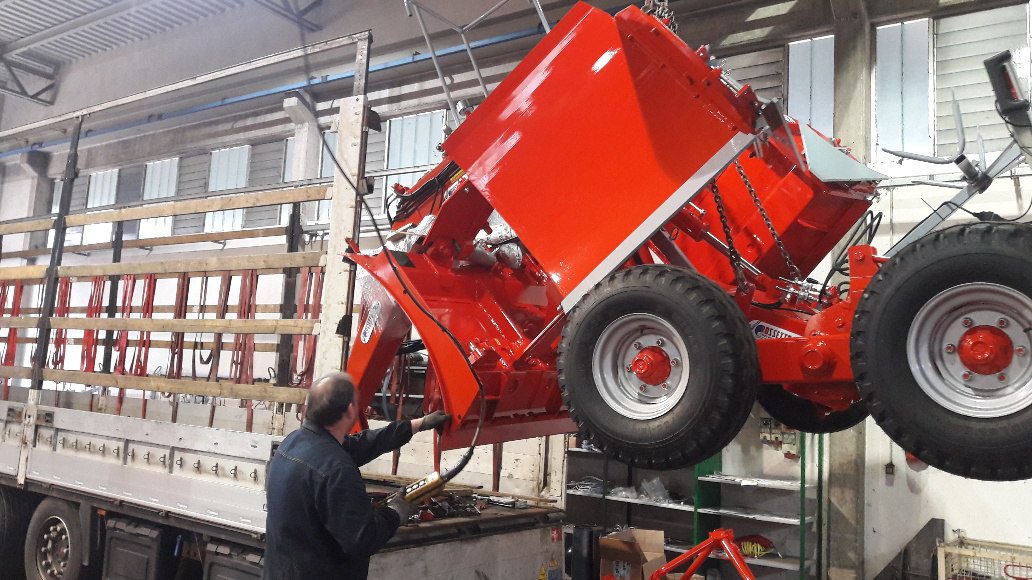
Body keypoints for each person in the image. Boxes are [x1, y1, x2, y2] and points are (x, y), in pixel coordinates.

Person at [262, 371, 450, 579]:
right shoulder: (337, 470)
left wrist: (418, 424)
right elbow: (363, 539)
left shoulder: (293, 442)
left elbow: (363, 444)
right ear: (351, 409)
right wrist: (396, 511)